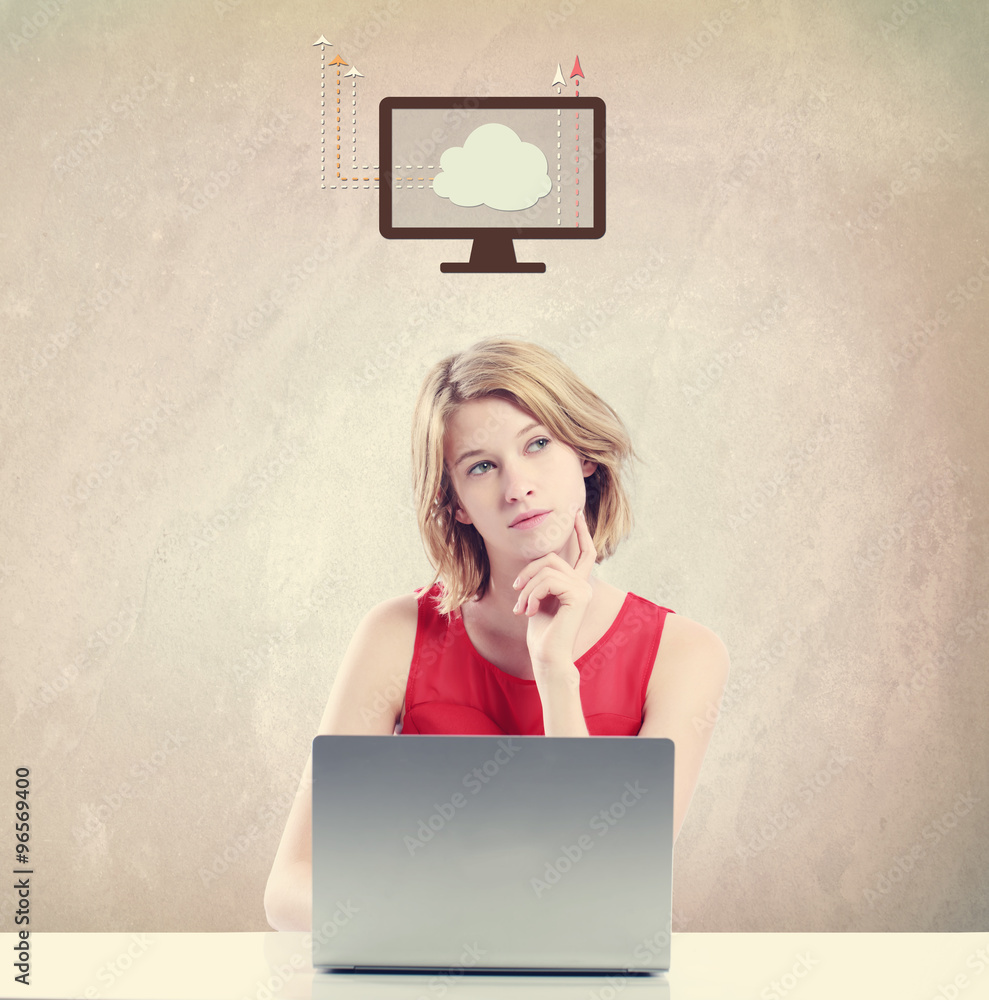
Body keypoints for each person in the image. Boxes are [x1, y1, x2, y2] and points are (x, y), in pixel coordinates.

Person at [263, 339, 730, 931]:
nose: (517, 487)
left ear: (585, 455)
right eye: (481, 466)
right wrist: (453, 925)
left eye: (538, 444)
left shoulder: (685, 654)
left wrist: (556, 673)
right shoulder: (395, 634)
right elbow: (290, 886)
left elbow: (612, 892)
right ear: (455, 504)